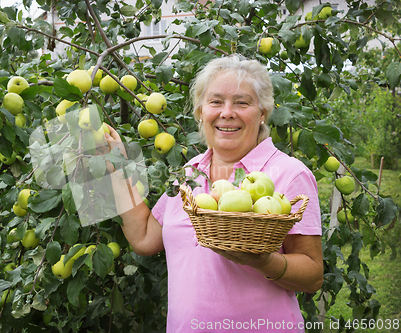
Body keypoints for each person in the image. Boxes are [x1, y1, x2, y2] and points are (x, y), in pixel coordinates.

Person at [103, 54, 323, 332]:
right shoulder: (189, 173)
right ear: (200, 111)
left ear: (263, 112)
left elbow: (313, 276)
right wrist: (116, 167)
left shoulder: (288, 173)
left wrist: (265, 261)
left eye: (242, 102)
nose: (227, 112)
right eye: (216, 101)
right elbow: (144, 238)